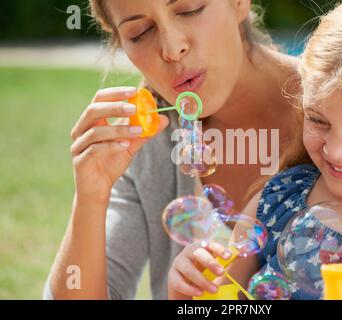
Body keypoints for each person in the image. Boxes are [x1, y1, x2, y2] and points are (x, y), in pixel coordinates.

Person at [168, 0, 342, 300]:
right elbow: (221, 300)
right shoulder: (278, 201)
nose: (335, 150)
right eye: (318, 120)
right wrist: (187, 291)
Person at [43, 0, 301, 300]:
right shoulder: (147, 141)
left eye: (189, 9)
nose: (171, 47)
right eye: (140, 32)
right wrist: (90, 199)